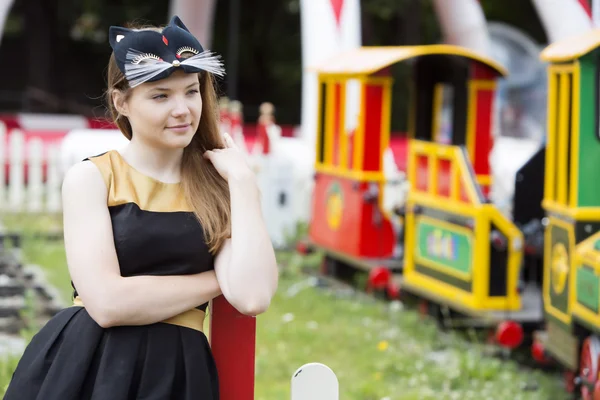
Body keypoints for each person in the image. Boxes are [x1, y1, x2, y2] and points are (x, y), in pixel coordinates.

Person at [4, 15, 278, 400]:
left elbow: (252, 297)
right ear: (122, 102)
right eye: (161, 95)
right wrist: (218, 282)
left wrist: (244, 183)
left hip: (179, 375)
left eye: (191, 91)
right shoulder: (93, 179)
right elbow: (107, 303)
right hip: (91, 367)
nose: (183, 109)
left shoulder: (220, 186)